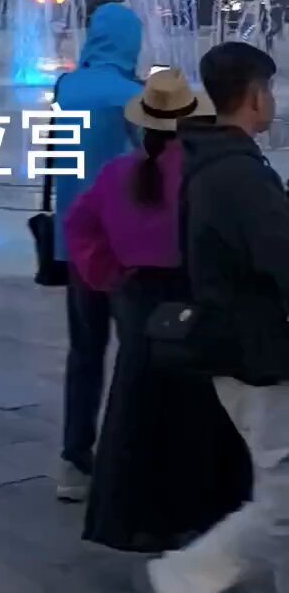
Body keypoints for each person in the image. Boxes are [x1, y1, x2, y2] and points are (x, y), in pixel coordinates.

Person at [146, 42, 289, 593]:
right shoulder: (240, 175)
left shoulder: (211, 162)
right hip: (260, 355)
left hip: (237, 349)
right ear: (255, 95)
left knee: (283, 496)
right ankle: (180, 579)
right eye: (270, 90)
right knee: (283, 503)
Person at [65, 67, 251, 553]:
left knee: (136, 407)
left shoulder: (118, 173)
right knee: (199, 410)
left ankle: (138, 519)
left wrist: (110, 273)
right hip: (194, 296)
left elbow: (78, 226)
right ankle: (199, 513)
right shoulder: (206, 174)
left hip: (138, 298)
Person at [53, 1, 142, 504]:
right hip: (124, 247)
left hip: (75, 243)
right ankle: (125, 460)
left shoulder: (66, 87)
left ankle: (73, 460)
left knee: (84, 352)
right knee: (135, 353)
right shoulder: (131, 96)